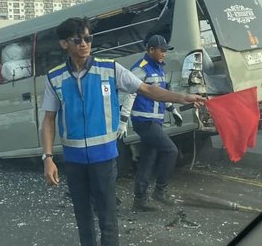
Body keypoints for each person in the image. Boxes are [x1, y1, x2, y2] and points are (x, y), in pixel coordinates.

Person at [41, 17, 205, 246]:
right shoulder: (54, 78)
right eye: (77, 40)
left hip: (105, 158)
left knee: (108, 218)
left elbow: (147, 89)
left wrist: (182, 98)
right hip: (74, 161)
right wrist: (48, 158)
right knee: (83, 218)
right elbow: (48, 119)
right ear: (64, 44)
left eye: (88, 38)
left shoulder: (109, 69)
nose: (84, 44)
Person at [119, 35, 183, 212]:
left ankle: (139, 200)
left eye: (165, 51)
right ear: (150, 50)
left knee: (147, 159)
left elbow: (161, 93)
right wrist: (123, 121)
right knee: (171, 151)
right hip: (144, 121)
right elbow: (129, 94)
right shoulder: (141, 69)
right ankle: (160, 190)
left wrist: (173, 110)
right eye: (161, 50)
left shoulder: (159, 69)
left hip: (155, 121)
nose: (164, 54)